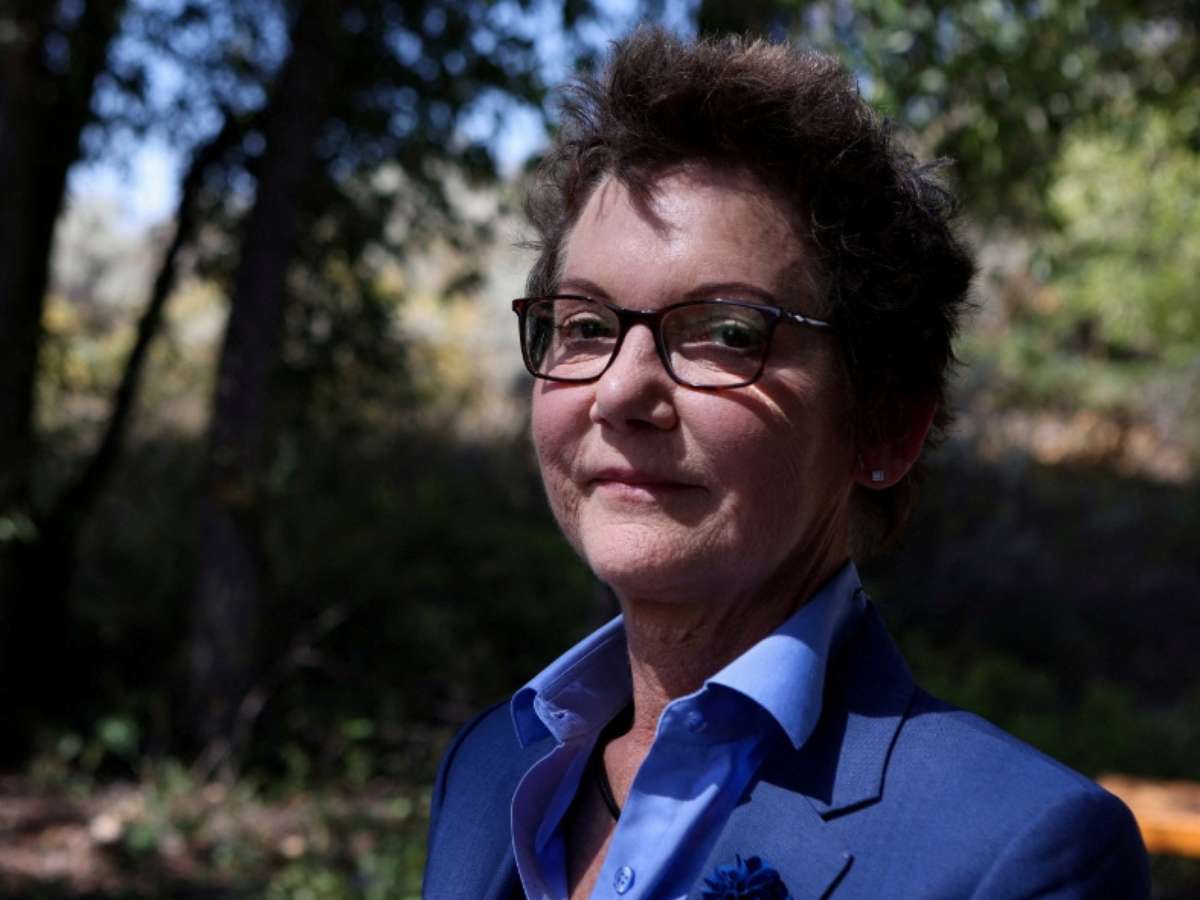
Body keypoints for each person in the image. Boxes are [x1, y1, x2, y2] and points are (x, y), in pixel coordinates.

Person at [422, 28, 1150, 900]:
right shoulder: (489, 769)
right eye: (584, 325)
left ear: (886, 427)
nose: (620, 391)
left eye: (728, 332)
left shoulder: (1016, 852)